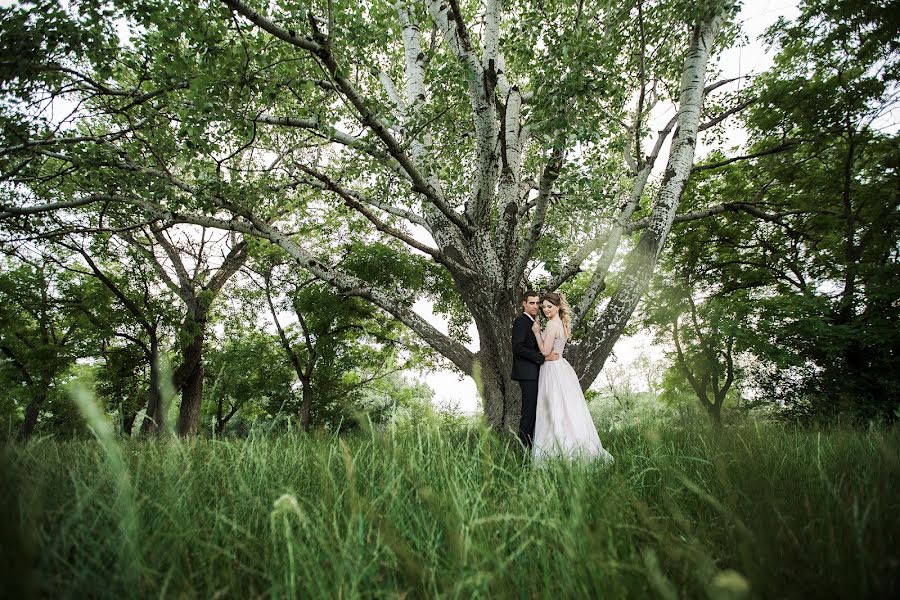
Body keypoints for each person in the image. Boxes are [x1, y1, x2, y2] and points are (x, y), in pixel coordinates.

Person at [531, 292, 614, 463]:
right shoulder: (560, 323)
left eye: (549, 306)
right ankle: (570, 447)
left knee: (553, 408)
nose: (546, 309)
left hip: (552, 369)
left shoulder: (552, 325)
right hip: (560, 367)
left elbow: (545, 352)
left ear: (558, 307)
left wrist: (537, 333)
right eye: (544, 306)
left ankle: (556, 451)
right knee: (564, 409)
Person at [511, 290, 558, 448]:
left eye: (538, 303)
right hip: (527, 374)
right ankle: (523, 453)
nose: (536, 306)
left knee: (537, 413)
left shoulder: (534, 322)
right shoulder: (521, 322)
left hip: (536, 372)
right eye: (532, 303)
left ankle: (535, 449)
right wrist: (542, 357)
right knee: (529, 413)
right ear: (524, 303)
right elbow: (518, 348)